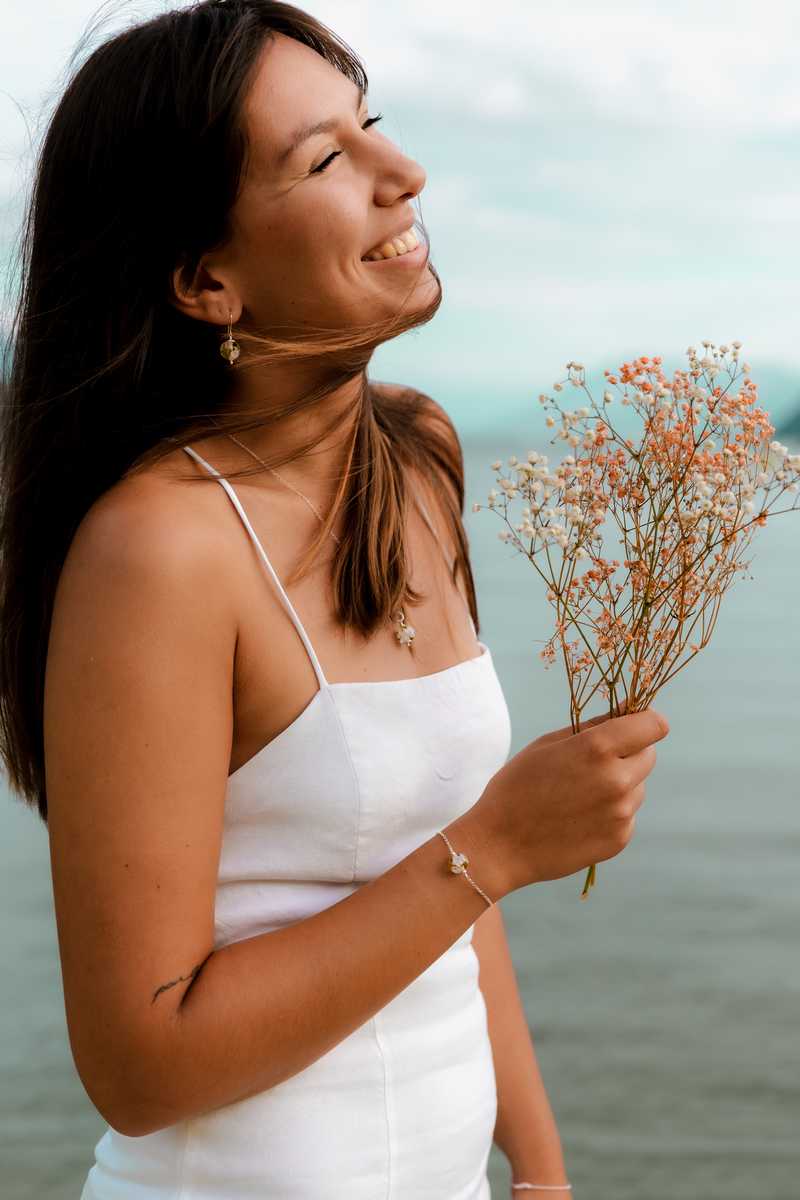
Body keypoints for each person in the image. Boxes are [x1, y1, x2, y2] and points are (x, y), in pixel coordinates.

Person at [0, 3, 669, 1197]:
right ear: (206, 281)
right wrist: (497, 843)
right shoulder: (157, 550)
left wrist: (543, 1169)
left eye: (372, 129)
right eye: (325, 158)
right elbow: (139, 1064)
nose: (401, 174)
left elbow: (457, 885)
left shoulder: (413, 458)